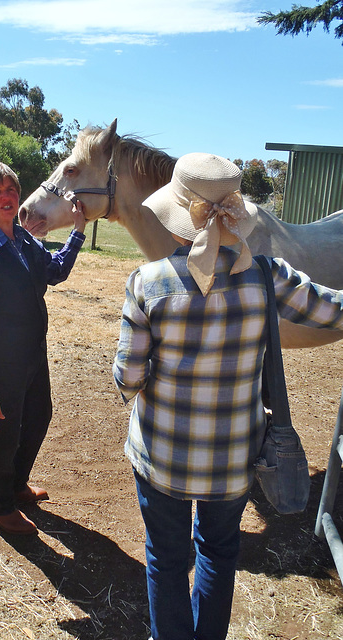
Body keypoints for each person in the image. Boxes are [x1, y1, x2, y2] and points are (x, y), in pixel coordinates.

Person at [112, 152, 343, 640]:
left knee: (166, 559)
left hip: (163, 456)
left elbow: (128, 380)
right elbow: (333, 312)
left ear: (174, 215)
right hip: (236, 459)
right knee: (218, 552)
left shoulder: (147, 283)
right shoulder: (267, 275)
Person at [0, 160, 86, 536]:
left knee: (38, 419)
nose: (7, 197)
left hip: (31, 356)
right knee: (2, 438)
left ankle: (16, 484)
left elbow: (54, 271)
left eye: (11, 190)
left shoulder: (23, 240)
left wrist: (78, 230)